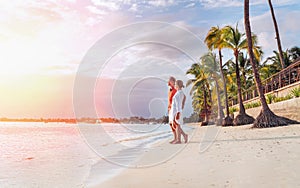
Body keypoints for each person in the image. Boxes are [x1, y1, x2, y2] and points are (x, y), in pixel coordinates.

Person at [169, 80, 188, 144]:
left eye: (175, 84)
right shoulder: (180, 92)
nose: (174, 85)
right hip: (175, 111)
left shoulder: (179, 93)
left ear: (177, 85)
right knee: (176, 124)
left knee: (177, 125)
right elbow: (184, 99)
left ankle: (179, 140)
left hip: (176, 111)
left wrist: (178, 113)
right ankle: (184, 136)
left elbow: (178, 104)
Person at [168, 76, 177, 144]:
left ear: (174, 81)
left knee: (175, 124)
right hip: (170, 109)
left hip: (174, 109)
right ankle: (175, 138)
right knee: (171, 124)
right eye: (170, 80)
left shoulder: (175, 90)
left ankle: (177, 138)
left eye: (171, 81)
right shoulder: (170, 90)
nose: (170, 82)